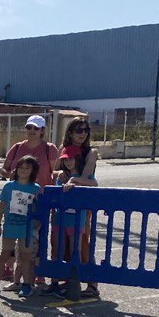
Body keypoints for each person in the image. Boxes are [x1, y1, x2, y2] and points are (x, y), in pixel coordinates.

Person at [49, 120, 101, 298]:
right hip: (63, 206)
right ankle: (67, 278)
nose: (83, 133)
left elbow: (86, 176)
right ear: (70, 132)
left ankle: (91, 283)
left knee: (82, 243)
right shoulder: (62, 149)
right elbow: (55, 171)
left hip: (82, 205)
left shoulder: (91, 152)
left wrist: (73, 179)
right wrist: (60, 174)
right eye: (79, 130)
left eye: (86, 130)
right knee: (59, 243)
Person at [0, 155, 41, 299]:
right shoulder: (9, 186)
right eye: (21, 167)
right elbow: (2, 206)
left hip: (27, 228)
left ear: (33, 171)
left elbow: (38, 208)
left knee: (26, 256)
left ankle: (26, 285)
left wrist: (37, 222)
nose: (23, 170)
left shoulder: (35, 188)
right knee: (5, 254)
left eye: (27, 168)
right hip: (10, 225)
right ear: (16, 169)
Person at [2, 115, 58, 186]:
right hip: (18, 193)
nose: (32, 130)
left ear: (42, 131)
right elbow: (4, 169)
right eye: (29, 127)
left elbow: (55, 172)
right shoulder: (16, 147)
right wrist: (11, 175)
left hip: (41, 193)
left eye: (36, 128)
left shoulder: (50, 149)